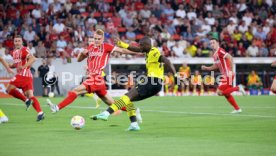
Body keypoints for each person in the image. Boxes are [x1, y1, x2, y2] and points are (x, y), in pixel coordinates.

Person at [46, 29, 141, 118]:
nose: (96, 40)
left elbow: (122, 50)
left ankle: (57, 107)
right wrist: (82, 54)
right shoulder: (90, 47)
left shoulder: (106, 46)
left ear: (102, 39)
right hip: (95, 80)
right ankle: (134, 110)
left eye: (99, 39)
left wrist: (138, 51)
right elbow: (79, 60)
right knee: (111, 102)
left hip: (97, 77)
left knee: (75, 91)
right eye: (95, 38)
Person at [92, 36, 178, 131]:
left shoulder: (154, 52)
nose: (139, 47)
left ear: (147, 45)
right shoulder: (147, 51)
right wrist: (121, 44)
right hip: (153, 83)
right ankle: (134, 124)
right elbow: (136, 49)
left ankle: (106, 113)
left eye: (141, 45)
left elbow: (167, 61)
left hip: (153, 82)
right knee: (128, 99)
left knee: (127, 96)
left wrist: (175, 78)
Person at [201, 38, 246, 114]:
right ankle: (237, 109)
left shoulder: (220, 50)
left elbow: (230, 57)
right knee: (226, 94)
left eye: (213, 42)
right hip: (225, 75)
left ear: (217, 43)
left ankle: (238, 88)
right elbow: (215, 66)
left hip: (228, 74)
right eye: (211, 43)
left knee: (219, 92)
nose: (212, 44)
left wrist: (231, 71)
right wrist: (206, 68)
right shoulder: (214, 55)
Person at [6, 35, 44, 121]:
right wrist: (9, 65)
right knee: (30, 95)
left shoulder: (24, 49)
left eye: (19, 41)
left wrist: (23, 67)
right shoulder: (14, 52)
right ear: (14, 42)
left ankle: (26, 101)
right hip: (27, 77)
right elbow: (16, 64)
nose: (17, 43)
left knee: (8, 89)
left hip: (23, 75)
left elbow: (33, 59)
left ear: (22, 42)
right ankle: (40, 113)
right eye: (15, 41)